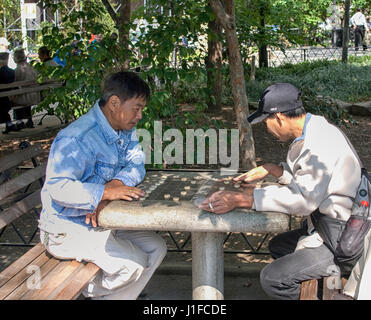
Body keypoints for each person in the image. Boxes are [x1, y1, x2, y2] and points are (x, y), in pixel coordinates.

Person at [199, 83, 362, 300]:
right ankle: (320, 287)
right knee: (278, 246)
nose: (267, 128)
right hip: (330, 226)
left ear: (279, 118)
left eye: (266, 121)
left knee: (272, 279)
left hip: (342, 239)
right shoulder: (315, 132)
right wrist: (273, 170)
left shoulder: (319, 144)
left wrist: (244, 199)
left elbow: (303, 199)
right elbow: (310, 184)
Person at [38, 71, 167, 300]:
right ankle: (85, 292)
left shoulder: (123, 129)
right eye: (136, 108)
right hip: (65, 229)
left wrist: (113, 187)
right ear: (114, 102)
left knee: (157, 247)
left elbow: (137, 164)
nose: (139, 115)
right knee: (132, 265)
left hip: (104, 222)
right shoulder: (77, 138)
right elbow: (58, 188)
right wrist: (104, 192)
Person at [9, 48, 40, 129]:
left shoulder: (16, 71)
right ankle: (29, 120)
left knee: (15, 97)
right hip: (36, 96)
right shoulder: (33, 68)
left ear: (15, 59)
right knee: (22, 95)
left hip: (25, 98)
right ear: (25, 57)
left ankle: (19, 121)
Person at [0, 52, 18, 134]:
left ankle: (9, 124)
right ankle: (9, 124)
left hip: (5, 101)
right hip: (13, 98)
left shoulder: (1, 73)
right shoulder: (12, 72)